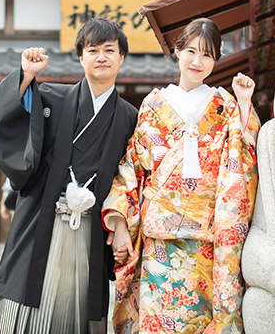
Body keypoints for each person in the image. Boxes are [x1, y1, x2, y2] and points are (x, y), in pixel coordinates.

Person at [102, 18, 260, 334]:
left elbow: (242, 157)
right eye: (191, 51)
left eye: (207, 55)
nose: (197, 61)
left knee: (199, 321)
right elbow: (132, 166)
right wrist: (120, 224)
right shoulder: (153, 104)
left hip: (206, 237)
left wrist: (244, 104)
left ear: (216, 59)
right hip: (158, 237)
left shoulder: (224, 104)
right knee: (155, 321)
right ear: (177, 52)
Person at [0, 19, 138, 334]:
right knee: (27, 299)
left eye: (110, 50)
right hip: (43, 218)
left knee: (77, 302)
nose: (101, 57)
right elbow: (4, 115)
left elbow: (131, 174)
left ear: (122, 57)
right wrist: (26, 75)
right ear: (81, 57)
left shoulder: (129, 116)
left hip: (91, 226)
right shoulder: (52, 98)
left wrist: (121, 223)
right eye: (92, 50)